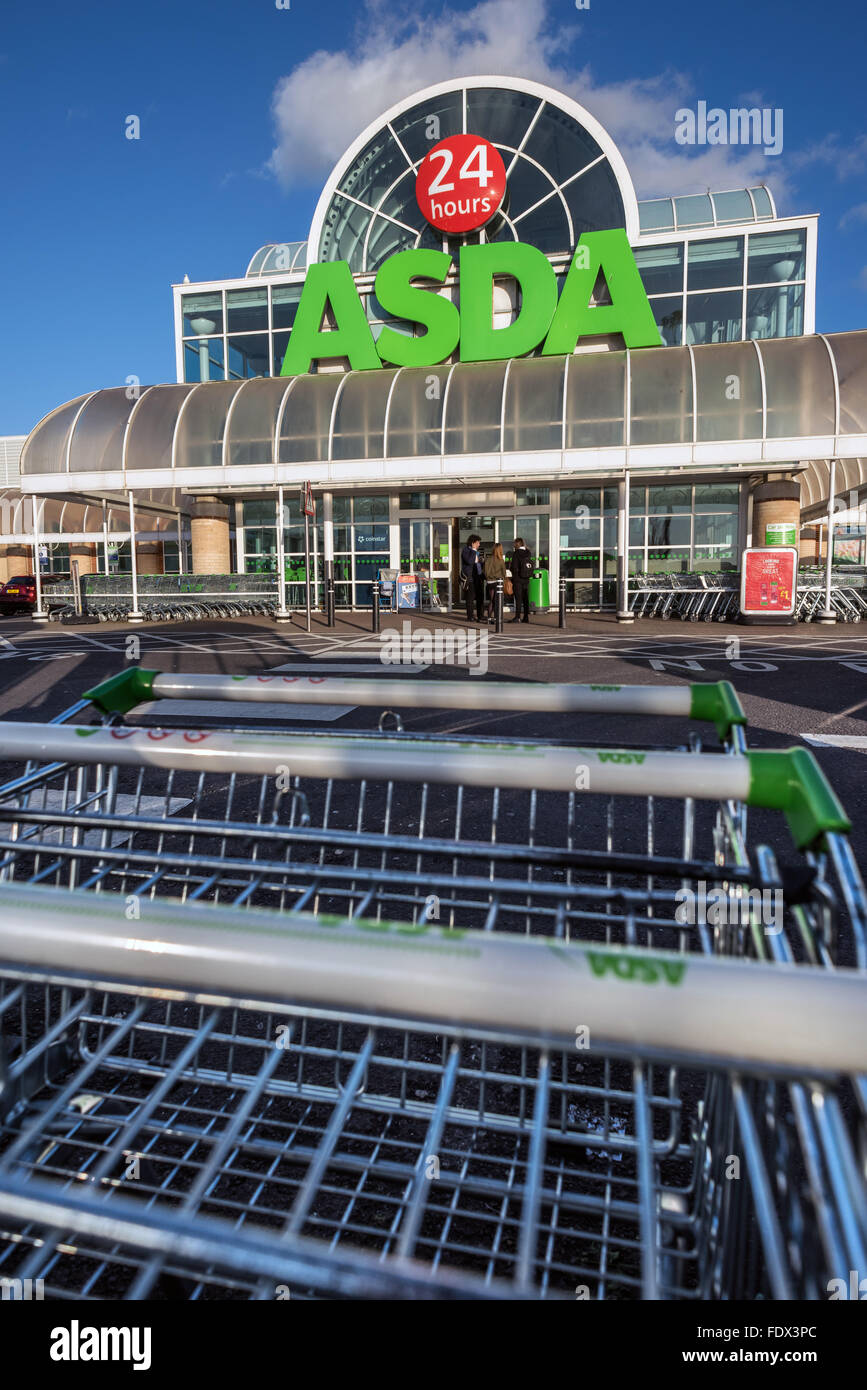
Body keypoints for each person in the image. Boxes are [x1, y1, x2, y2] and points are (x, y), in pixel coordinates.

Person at [460, 533, 485, 621]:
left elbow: (478, 564)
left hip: (478, 577)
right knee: (470, 598)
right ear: (473, 543)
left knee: (480, 597)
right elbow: (470, 561)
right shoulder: (466, 550)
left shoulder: (477, 552)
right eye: (478, 542)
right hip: (470, 578)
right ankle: (470, 616)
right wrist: (474, 551)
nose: (479, 544)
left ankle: (480, 615)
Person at [509, 537, 534, 623]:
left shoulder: (516, 553)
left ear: (517, 544)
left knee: (518, 598)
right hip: (526, 578)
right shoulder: (528, 552)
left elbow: (514, 567)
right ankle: (526, 617)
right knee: (525, 598)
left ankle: (517, 617)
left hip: (518, 579)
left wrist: (512, 573)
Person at [483, 542, 508, 623]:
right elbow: (504, 573)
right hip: (497, 582)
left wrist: (488, 578)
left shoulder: (488, 559)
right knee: (497, 601)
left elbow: (485, 572)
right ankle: (497, 618)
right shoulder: (501, 560)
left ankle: (489, 618)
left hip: (489, 582)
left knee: (491, 600)